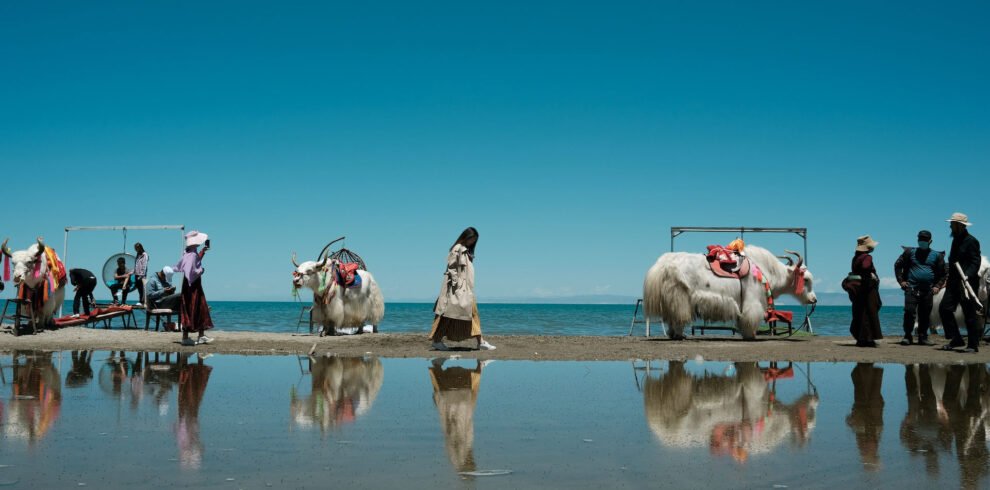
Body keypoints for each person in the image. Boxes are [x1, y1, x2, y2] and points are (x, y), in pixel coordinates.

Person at [429, 227, 495, 351]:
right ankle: (437, 340)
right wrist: (457, 285)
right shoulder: (457, 249)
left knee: (470, 314)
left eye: (474, 240)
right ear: (465, 237)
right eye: (471, 239)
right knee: (447, 315)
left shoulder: (466, 251)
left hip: (465, 289)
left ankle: (479, 341)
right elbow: (451, 267)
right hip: (457, 289)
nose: (472, 242)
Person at [938, 212, 983, 353]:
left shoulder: (971, 241)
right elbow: (952, 262)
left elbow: (976, 261)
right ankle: (956, 339)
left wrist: (967, 276)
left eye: (952, 224)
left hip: (967, 283)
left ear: (959, 225)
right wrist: (947, 279)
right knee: (944, 308)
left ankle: (973, 345)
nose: (950, 227)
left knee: (969, 314)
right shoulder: (955, 240)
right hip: (953, 282)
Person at [894, 230, 946, 346]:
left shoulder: (937, 256)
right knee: (909, 312)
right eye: (920, 239)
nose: (922, 241)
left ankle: (923, 337)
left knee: (925, 314)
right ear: (917, 240)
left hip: (928, 290)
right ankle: (908, 336)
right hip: (911, 288)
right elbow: (897, 265)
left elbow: (944, 273)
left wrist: (938, 286)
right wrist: (901, 281)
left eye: (925, 239)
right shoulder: (909, 252)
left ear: (930, 241)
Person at [175, 231, 213, 346]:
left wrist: (202, 252)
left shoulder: (188, 253)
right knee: (198, 307)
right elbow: (193, 271)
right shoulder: (191, 255)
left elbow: (192, 263)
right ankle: (195, 336)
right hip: (193, 286)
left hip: (189, 285)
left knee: (191, 308)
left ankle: (191, 336)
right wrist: (202, 270)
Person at [850, 235, 883, 347]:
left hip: (858, 289)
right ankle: (868, 339)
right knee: (870, 312)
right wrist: (871, 274)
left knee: (860, 312)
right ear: (868, 248)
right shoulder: (867, 257)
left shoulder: (855, 257)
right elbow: (865, 267)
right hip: (868, 288)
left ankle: (861, 338)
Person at [133, 242, 149, 307]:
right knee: (139, 288)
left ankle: (142, 301)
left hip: (142, 274)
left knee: (142, 288)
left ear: (140, 247)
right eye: (135, 248)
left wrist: (142, 275)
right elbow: (136, 265)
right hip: (137, 273)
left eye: (137, 248)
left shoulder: (144, 255)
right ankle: (140, 301)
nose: (136, 250)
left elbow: (144, 265)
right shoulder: (138, 255)